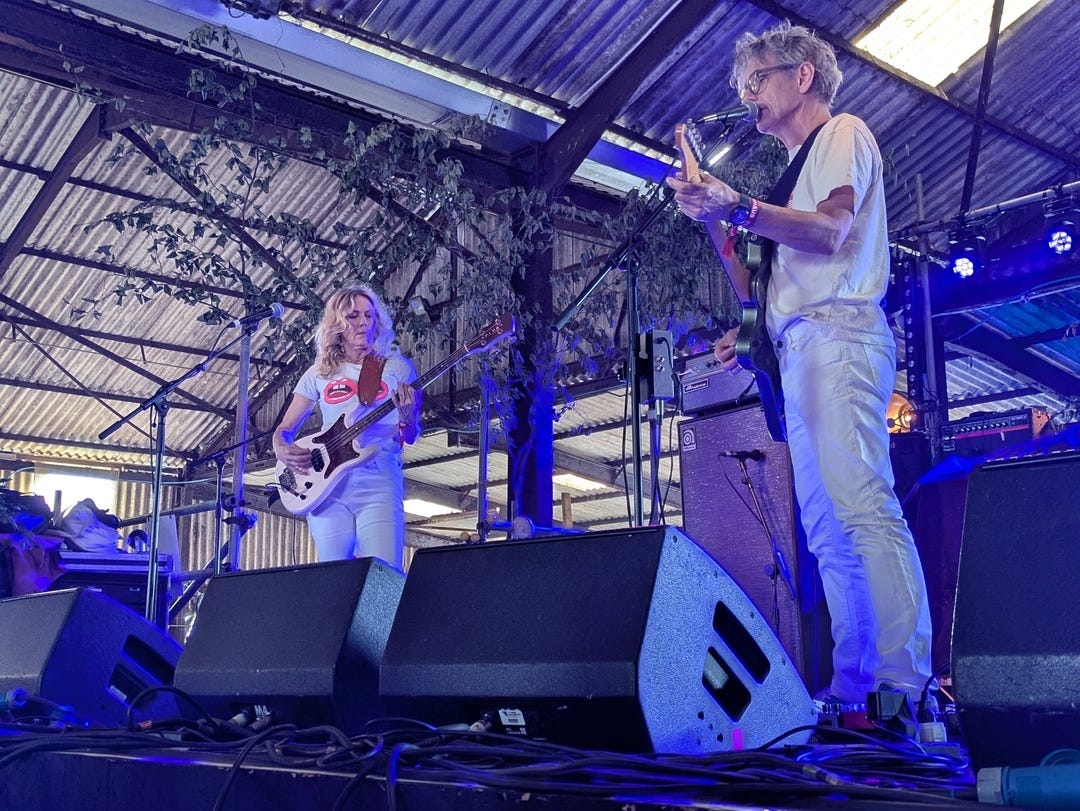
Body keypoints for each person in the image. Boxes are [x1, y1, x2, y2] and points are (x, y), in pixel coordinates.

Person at [667, 21, 934, 707]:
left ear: (802, 75)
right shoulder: (790, 176)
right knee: (824, 525)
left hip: (838, 336)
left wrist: (741, 204)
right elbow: (754, 288)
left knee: (862, 505)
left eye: (755, 81)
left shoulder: (842, 133)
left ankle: (907, 683)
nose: (747, 96)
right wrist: (711, 217)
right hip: (799, 348)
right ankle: (857, 687)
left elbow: (831, 231)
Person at [273, 284, 420, 570]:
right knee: (332, 579)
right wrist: (281, 447)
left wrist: (407, 418)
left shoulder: (397, 368)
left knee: (383, 577)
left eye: (369, 315)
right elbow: (285, 429)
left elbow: (411, 435)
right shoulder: (318, 372)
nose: (363, 322)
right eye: (353, 316)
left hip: (377, 479)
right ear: (337, 324)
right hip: (327, 484)